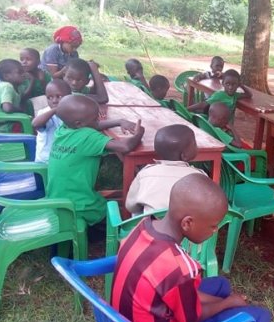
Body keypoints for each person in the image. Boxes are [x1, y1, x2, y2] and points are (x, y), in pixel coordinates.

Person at [112, 174, 271, 322]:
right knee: (258, 318)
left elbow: (173, 289)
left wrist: (223, 301)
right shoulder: (178, 268)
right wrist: (227, 304)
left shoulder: (142, 227)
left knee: (221, 285)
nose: (215, 231)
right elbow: (191, 321)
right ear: (187, 223)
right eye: (213, 226)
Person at [47, 95, 143, 228]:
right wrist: (139, 133)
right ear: (79, 124)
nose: (98, 120)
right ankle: (106, 233)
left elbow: (93, 125)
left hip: (56, 198)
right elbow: (125, 147)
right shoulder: (87, 136)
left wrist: (119, 121)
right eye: (95, 118)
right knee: (112, 211)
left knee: (103, 200)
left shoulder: (63, 130)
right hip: (78, 206)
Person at [125, 124, 206, 215]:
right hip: (187, 226)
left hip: (152, 227)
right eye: (194, 143)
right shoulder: (200, 177)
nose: (197, 146)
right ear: (184, 155)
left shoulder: (145, 173)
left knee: (138, 212)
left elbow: (131, 206)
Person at [0, 59, 31, 132]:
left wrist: (31, 82)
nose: (24, 74)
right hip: (1, 127)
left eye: (23, 71)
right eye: (20, 72)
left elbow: (24, 97)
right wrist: (21, 110)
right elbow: (7, 108)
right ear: (6, 76)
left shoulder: (16, 86)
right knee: (34, 128)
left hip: (4, 122)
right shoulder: (6, 86)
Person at [32, 79, 71, 163]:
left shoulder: (72, 112)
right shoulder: (45, 114)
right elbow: (35, 124)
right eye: (49, 97)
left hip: (63, 158)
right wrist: (55, 110)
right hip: (46, 162)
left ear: (70, 97)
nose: (54, 101)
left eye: (59, 96)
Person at [187, 69, 252, 115]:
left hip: (227, 125)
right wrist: (187, 110)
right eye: (227, 84)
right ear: (223, 83)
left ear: (238, 85)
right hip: (217, 126)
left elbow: (249, 94)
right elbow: (203, 104)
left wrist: (242, 85)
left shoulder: (235, 95)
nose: (230, 87)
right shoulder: (219, 95)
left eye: (234, 84)